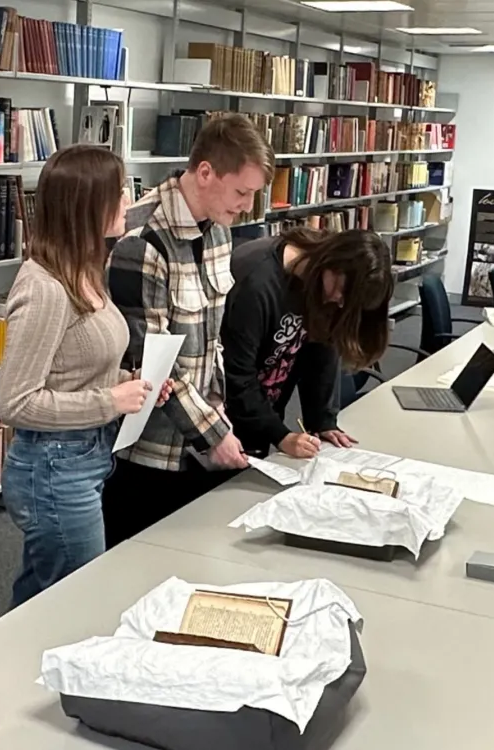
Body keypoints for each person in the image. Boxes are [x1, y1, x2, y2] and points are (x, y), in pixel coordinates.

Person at [0, 145, 172, 607]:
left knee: (43, 591)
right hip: (54, 466)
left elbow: (78, 364)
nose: (128, 202)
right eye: (118, 193)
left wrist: (135, 379)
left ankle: (13, 667)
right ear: (87, 204)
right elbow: (16, 403)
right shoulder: (45, 288)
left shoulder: (86, 270)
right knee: (79, 598)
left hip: (86, 456)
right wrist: (111, 401)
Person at [102, 114, 273, 548]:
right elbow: (150, 365)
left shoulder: (218, 230)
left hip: (197, 440)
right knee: (132, 577)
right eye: (241, 191)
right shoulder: (142, 241)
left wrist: (219, 416)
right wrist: (214, 435)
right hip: (148, 454)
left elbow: (211, 340)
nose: (247, 206)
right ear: (205, 172)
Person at [222, 228, 394, 458]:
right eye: (342, 293)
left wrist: (323, 421)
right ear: (335, 264)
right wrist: (280, 435)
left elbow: (321, 352)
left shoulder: (326, 283)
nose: (340, 303)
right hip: (222, 427)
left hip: (261, 417)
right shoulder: (257, 283)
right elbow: (236, 375)